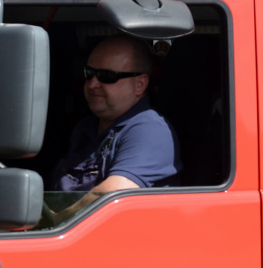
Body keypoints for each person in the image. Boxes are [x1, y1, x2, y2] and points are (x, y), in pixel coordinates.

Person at [47, 35, 178, 220]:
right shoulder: (86, 127)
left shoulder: (149, 130)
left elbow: (112, 194)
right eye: (89, 73)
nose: (92, 84)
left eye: (107, 76)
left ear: (139, 84)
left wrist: (54, 223)